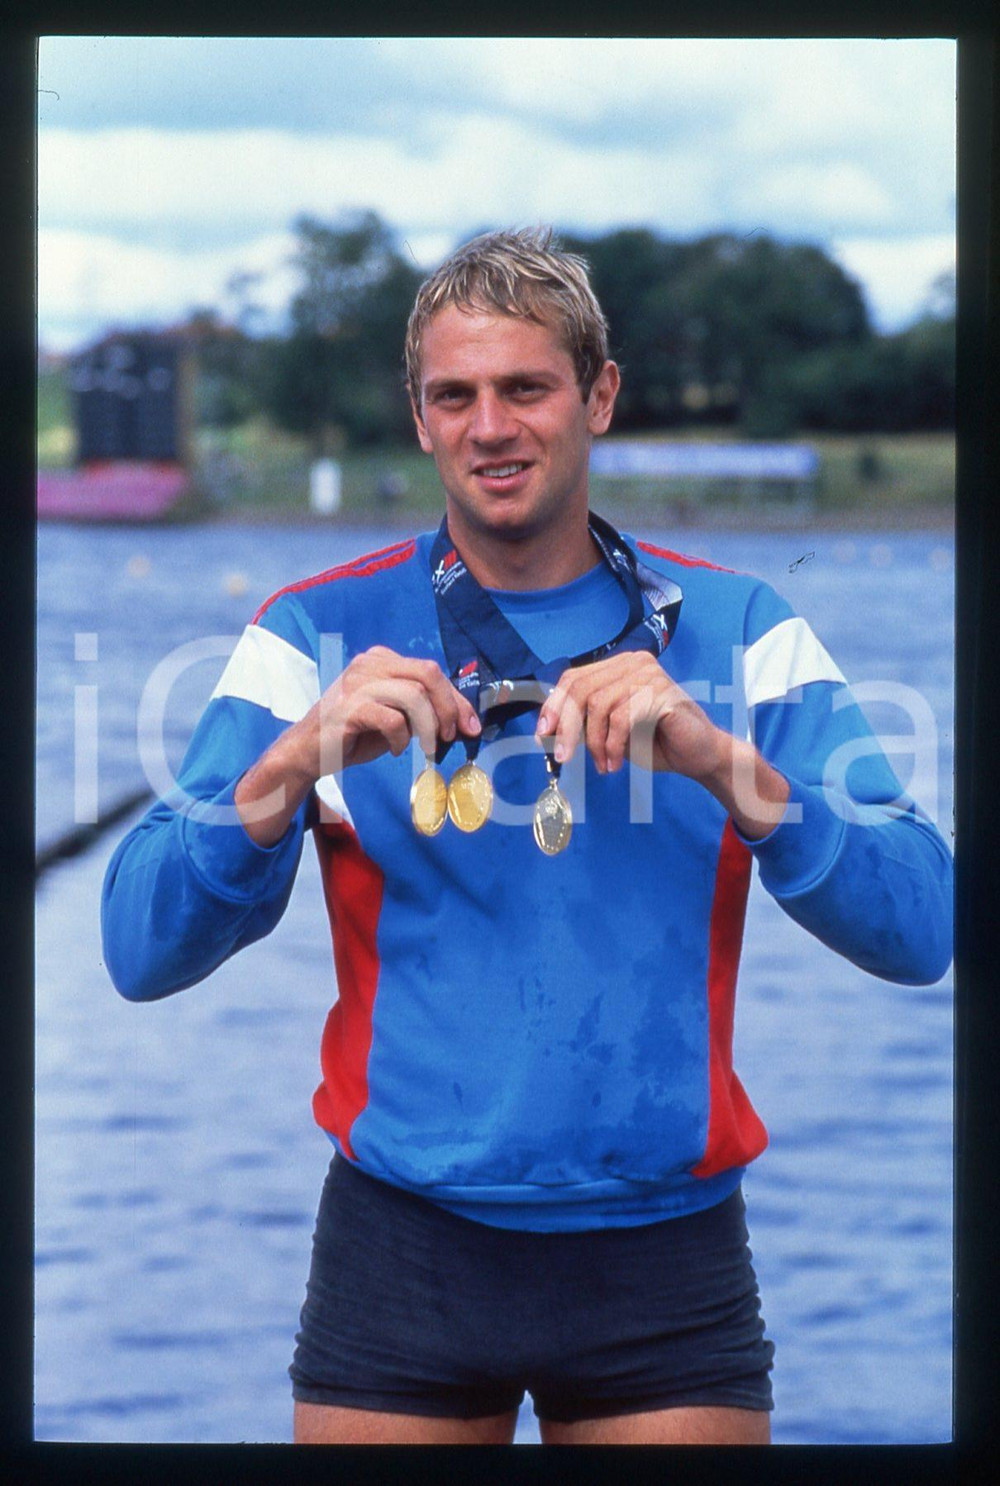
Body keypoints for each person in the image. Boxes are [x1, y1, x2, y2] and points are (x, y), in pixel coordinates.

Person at [101, 228, 953, 1446]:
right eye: (456, 394)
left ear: (598, 396)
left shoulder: (742, 626)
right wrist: (285, 769)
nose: (490, 425)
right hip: (401, 1244)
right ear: (419, 416)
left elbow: (924, 924)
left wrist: (725, 763)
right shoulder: (313, 632)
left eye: (526, 388)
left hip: (666, 1250)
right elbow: (137, 951)